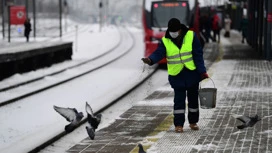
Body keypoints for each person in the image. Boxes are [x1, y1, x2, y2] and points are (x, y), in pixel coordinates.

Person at [141, 18, 209, 133]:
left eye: (175, 31)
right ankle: (178, 125)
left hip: (191, 72)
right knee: (179, 101)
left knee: (193, 100)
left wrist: (202, 71)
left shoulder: (191, 36)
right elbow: (159, 53)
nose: (173, 33)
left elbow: (198, 55)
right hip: (177, 75)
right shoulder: (165, 40)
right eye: (171, 31)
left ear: (180, 30)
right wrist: (150, 59)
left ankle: (193, 122)